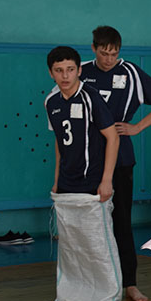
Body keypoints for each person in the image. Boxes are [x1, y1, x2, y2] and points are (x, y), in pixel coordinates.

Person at [79, 26, 151, 301]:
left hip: (121, 158)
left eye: (114, 54)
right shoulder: (81, 72)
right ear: (94, 49)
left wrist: (137, 127)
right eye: (104, 53)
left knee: (121, 221)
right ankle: (92, 284)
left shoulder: (130, 72)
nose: (109, 59)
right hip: (88, 158)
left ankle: (129, 283)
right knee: (89, 224)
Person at [46, 46, 118, 202]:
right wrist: (57, 180)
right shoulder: (51, 102)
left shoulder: (92, 98)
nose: (65, 76)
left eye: (70, 69)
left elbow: (113, 137)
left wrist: (107, 180)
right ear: (51, 73)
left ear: (79, 70)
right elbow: (59, 141)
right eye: (58, 70)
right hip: (65, 183)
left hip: (92, 183)